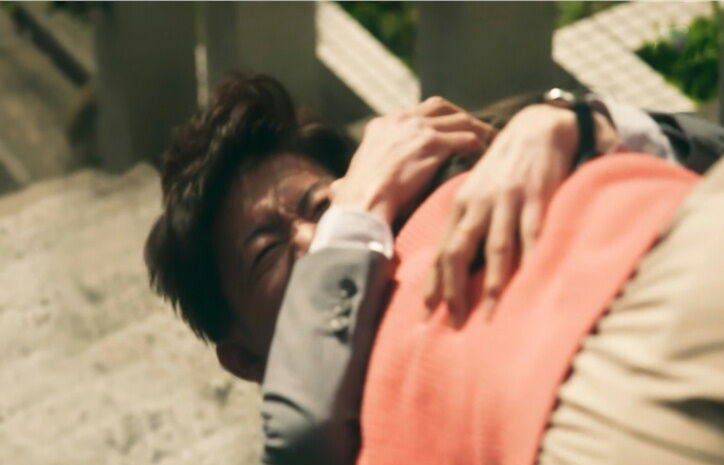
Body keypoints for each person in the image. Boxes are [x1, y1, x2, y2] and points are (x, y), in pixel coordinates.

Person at [144, 73, 724, 464]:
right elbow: (296, 437)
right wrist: (355, 208)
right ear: (247, 360)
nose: (317, 236)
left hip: (684, 232)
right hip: (598, 404)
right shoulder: (328, 429)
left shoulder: (446, 162)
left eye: (320, 205)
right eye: (267, 252)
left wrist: (579, 123)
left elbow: (710, 142)